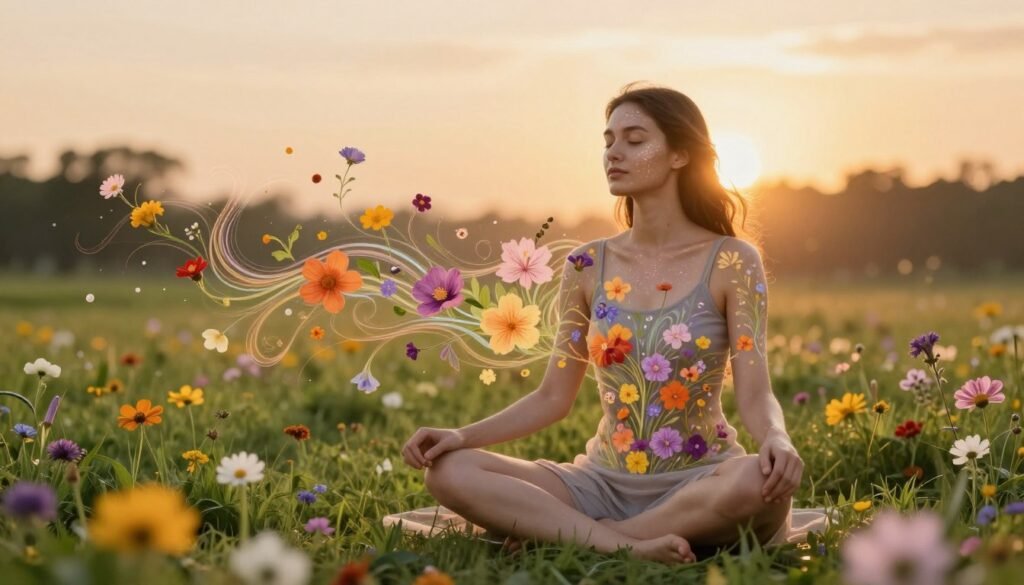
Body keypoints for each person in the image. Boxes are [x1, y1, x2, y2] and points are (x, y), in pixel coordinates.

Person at [393, 82, 830, 564]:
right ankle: (624, 544)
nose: (613, 153)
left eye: (634, 140)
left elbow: (754, 391)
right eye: (608, 141)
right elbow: (552, 397)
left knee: (757, 482)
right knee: (449, 470)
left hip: (702, 480)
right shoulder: (586, 265)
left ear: (681, 155)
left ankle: (580, 536)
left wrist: (776, 437)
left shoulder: (732, 260)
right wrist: (461, 436)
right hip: (598, 484)